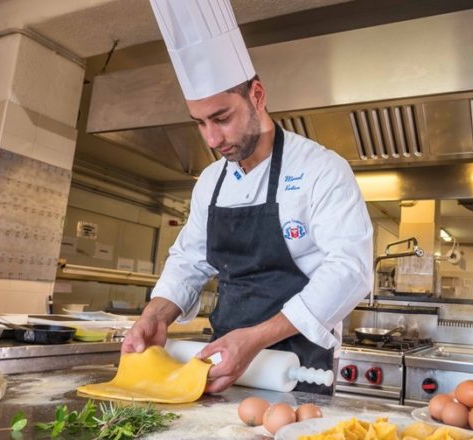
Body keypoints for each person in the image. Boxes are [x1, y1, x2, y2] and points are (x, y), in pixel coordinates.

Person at [121, 0, 373, 395]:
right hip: (221, 364)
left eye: (222, 118)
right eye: (200, 123)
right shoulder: (210, 181)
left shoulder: (322, 170)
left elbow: (349, 270)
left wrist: (255, 339)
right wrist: (157, 314)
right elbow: (189, 259)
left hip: (296, 368)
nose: (212, 139)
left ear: (257, 95)